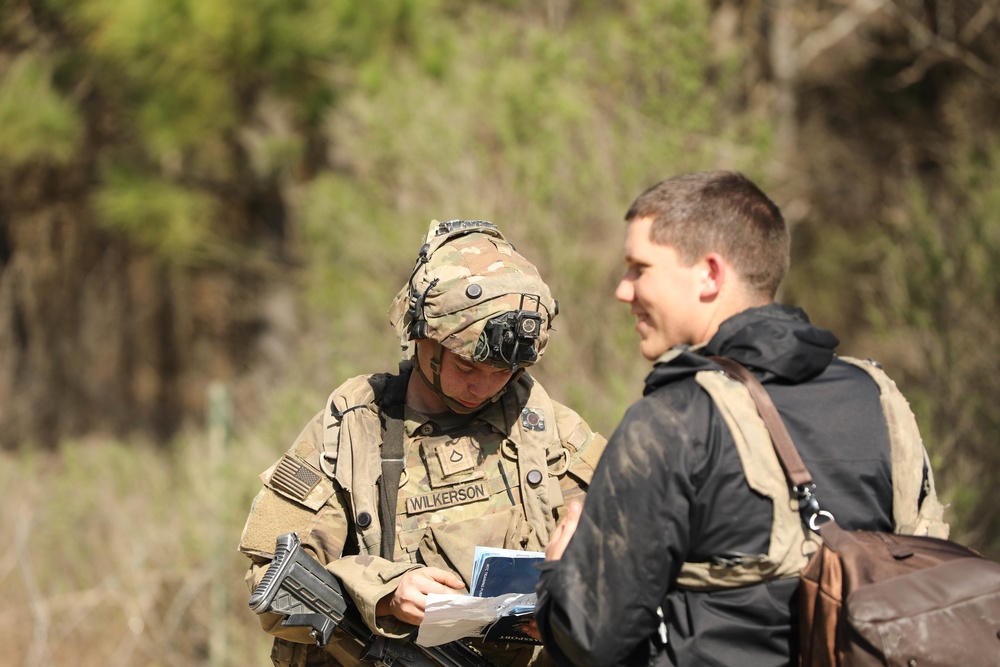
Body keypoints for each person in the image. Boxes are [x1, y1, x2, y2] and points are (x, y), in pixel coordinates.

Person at [532, 171, 948, 667]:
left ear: (710, 273)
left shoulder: (671, 419)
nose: (624, 291)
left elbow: (591, 641)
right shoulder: (877, 394)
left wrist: (558, 573)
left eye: (638, 268)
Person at [239, 219, 607, 667]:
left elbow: (638, 558)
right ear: (421, 337)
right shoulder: (354, 430)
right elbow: (270, 580)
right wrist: (385, 593)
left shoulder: (550, 433)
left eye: (503, 372)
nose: (484, 387)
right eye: (468, 368)